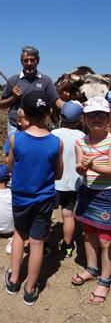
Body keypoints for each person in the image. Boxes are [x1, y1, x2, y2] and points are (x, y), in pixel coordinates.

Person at [5, 91, 63, 306]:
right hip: (44, 199)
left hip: (20, 197)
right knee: (38, 242)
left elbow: (11, 167)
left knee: (19, 234)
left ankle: (13, 280)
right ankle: (30, 289)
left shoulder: (15, 139)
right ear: (49, 112)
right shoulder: (56, 142)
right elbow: (58, 174)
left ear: (24, 115)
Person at [71, 96, 111, 305]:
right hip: (87, 192)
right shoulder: (80, 142)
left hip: (107, 195)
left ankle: (104, 281)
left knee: (106, 240)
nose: (97, 118)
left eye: (101, 114)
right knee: (88, 234)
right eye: (92, 115)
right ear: (84, 119)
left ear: (108, 117)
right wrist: (81, 168)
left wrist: (92, 166)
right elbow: (79, 167)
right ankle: (91, 269)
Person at [0, 46, 64, 135]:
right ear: (21, 62)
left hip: (38, 127)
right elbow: (1, 105)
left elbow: (56, 100)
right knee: (15, 148)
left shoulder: (46, 80)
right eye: (25, 60)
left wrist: (71, 107)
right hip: (15, 127)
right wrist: (13, 97)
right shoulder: (13, 80)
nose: (29, 63)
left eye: (32, 60)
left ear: (38, 61)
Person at [51, 100, 85, 257]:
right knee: (68, 215)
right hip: (73, 185)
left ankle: (44, 244)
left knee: (46, 215)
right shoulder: (83, 137)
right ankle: (68, 245)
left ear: (61, 117)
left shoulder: (54, 134)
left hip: (53, 184)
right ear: (80, 120)